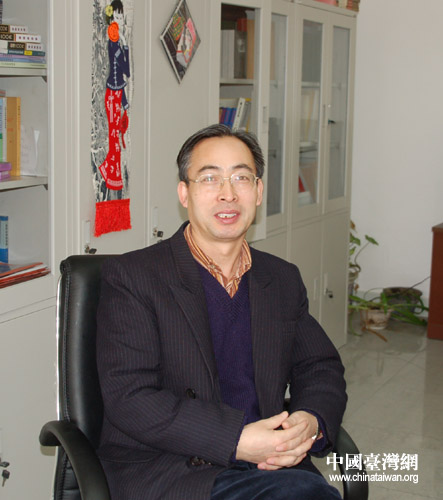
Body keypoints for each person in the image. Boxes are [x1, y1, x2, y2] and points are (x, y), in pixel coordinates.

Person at [96, 124, 347, 500]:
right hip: (172, 469)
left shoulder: (280, 278)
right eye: (210, 178)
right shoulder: (133, 277)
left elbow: (319, 366)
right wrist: (236, 440)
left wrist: (309, 419)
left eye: (241, 178)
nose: (227, 194)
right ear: (185, 193)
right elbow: (129, 397)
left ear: (258, 192)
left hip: (268, 465)